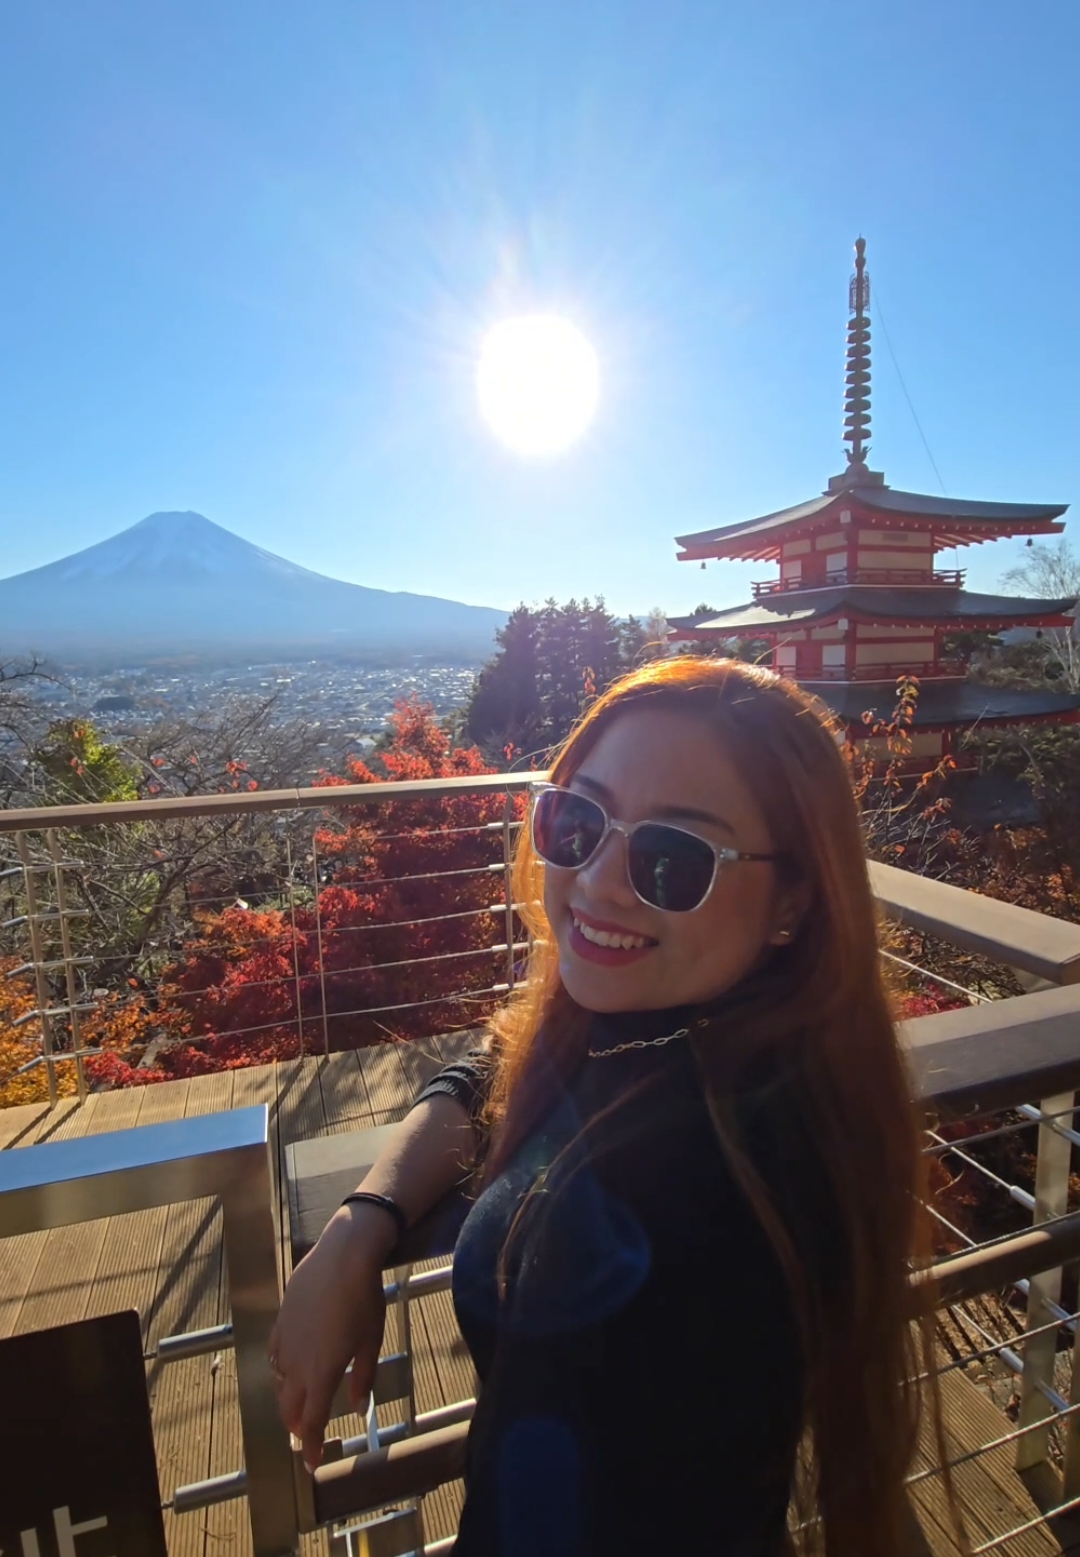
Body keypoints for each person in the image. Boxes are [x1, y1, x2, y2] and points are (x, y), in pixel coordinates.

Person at [270, 656, 955, 1557]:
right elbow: (495, 1060)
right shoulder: (641, 1024)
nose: (597, 881)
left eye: (672, 858)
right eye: (577, 820)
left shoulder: (734, 1169)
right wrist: (365, 1220)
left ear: (793, 897)